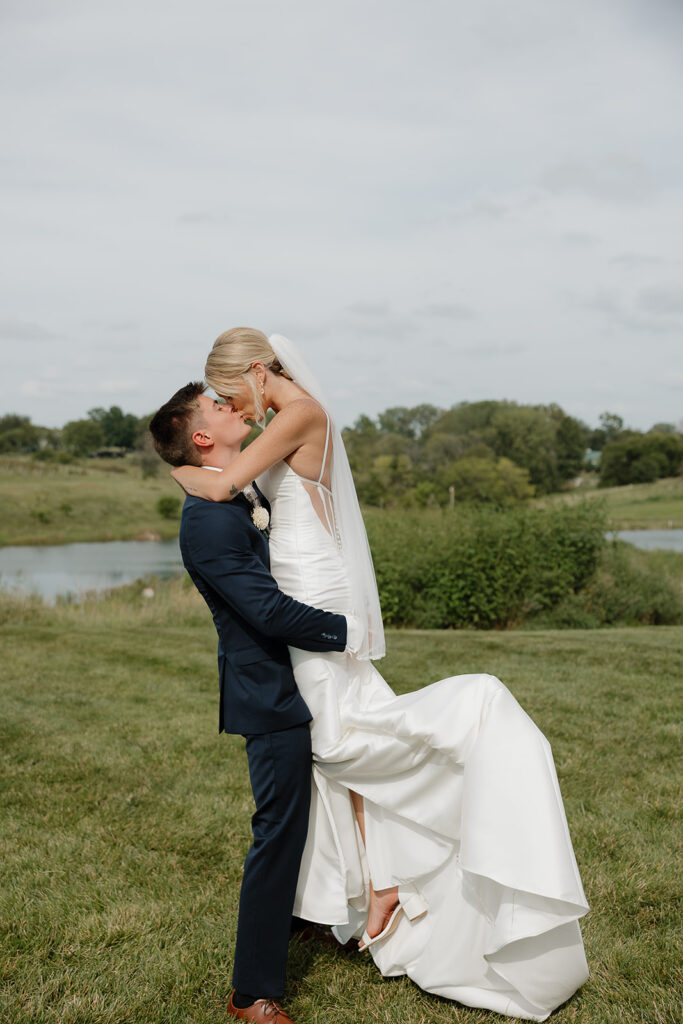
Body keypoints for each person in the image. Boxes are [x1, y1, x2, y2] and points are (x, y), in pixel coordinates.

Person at [171, 330, 590, 1022]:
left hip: (312, 594)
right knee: (332, 750)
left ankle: (465, 725)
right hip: (307, 583)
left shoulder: (299, 413)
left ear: (254, 370)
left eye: (225, 390)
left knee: (335, 744)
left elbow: (220, 480)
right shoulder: (281, 420)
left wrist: (181, 472)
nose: (225, 403)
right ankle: (379, 887)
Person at [149, 383, 362, 1024]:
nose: (231, 407)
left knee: (312, 809)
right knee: (277, 830)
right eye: (217, 407)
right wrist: (349, 630)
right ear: (204, 438)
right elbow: (265, 611)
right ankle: (253, 992)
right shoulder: (209, 519)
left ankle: (305, 918)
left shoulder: (235, 489)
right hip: (267, 691)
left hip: (297, 677)